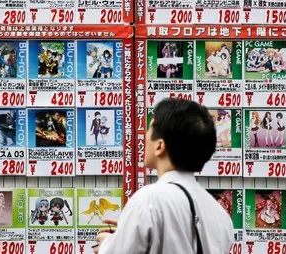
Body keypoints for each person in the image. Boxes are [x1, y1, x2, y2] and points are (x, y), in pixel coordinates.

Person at [94, 98, 233, 254]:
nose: (144, 137)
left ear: (159, 146)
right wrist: (130, 233)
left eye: (149, 129)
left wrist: (107, 244)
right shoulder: (220, 214)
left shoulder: (148, 200)